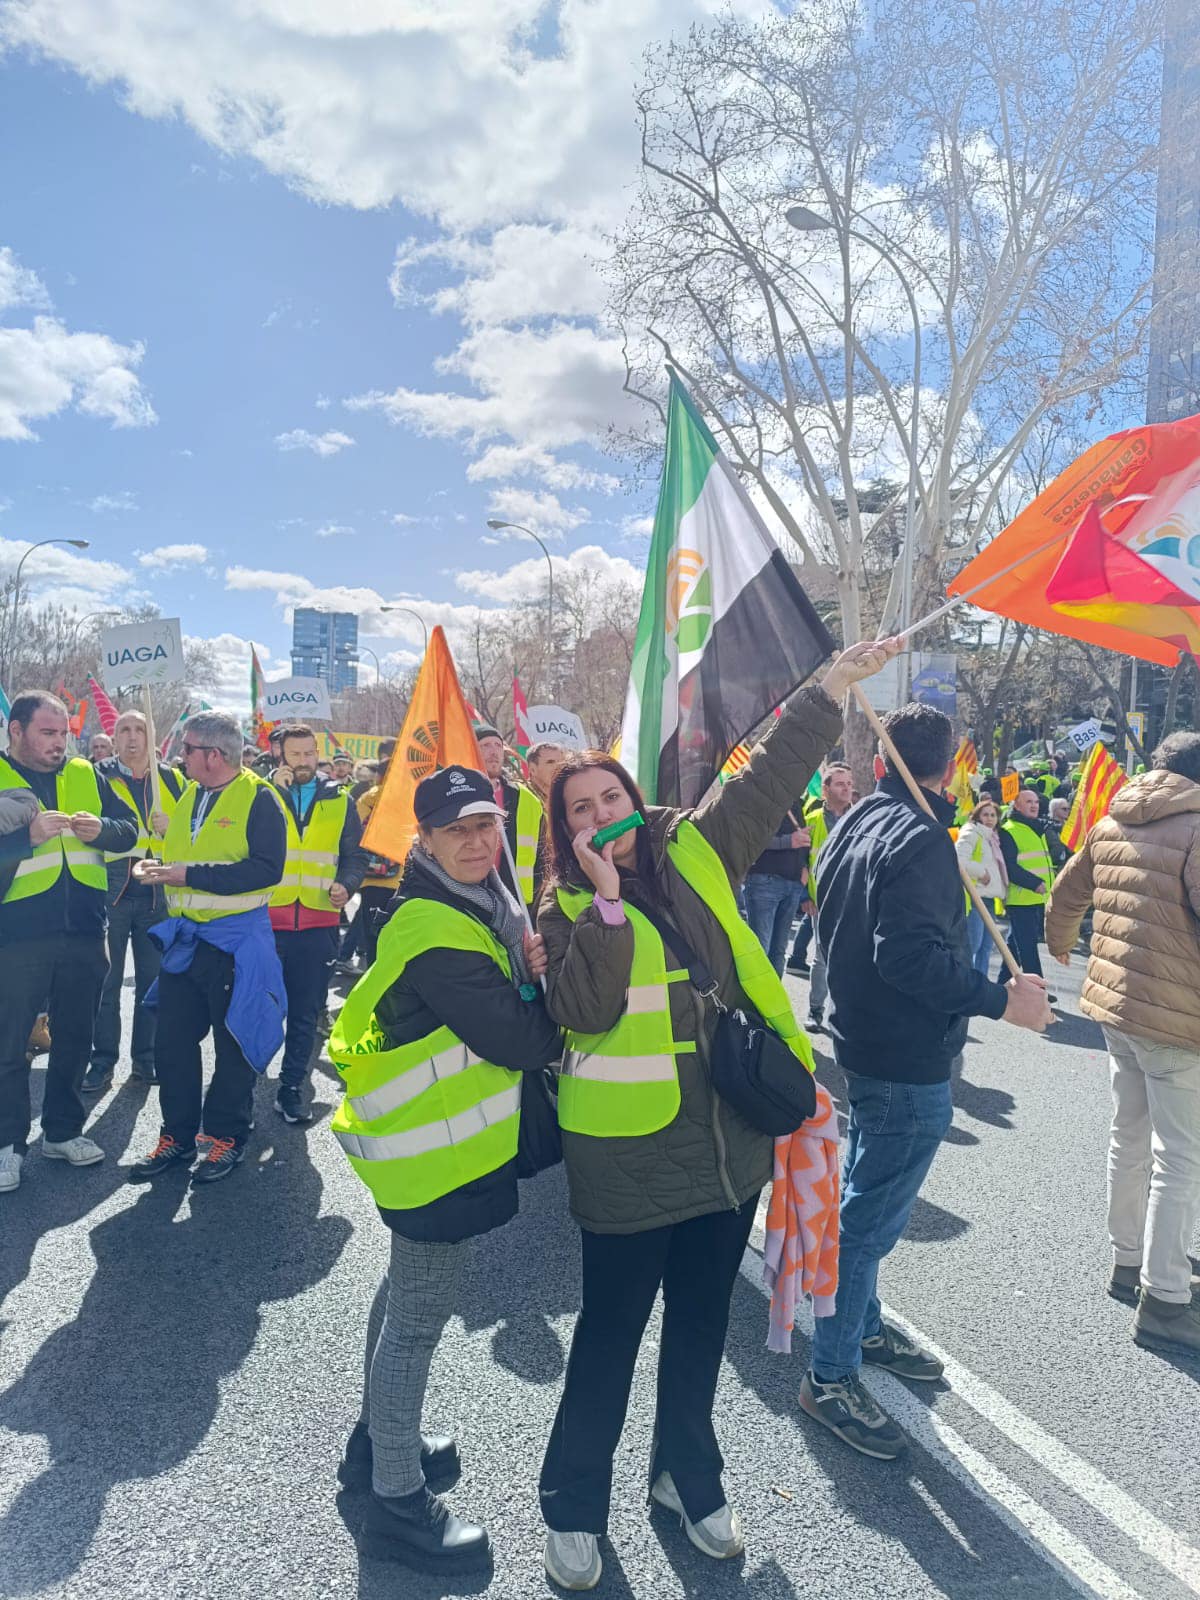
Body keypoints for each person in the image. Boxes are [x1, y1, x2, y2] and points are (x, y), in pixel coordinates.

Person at [533, 640, 896, 1593]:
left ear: (631, 799)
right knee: (610, 1337)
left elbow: (775, 774)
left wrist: (828, 688)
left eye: (609, 796)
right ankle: (573, 1507)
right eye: (580, 808)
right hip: (627, 1159)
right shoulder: (563, 906)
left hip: (728, 1144)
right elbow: (581, 1014)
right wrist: (608, 910)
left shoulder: (697, 842)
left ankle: (686, 1478)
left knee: (698, 1329)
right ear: (562, 830)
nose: (601, 814)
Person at [801, 703, 1052, 1460]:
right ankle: (831, 1373)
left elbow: (833, 923)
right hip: (904, 1056)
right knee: (866, 1222)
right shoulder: (917, 840)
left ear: (882, 764)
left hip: (864, 1043)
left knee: (861, 1202)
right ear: (952, 768)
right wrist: (1000, 1001)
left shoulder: (859, 819)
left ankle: (862, 1326)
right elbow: (907, 957)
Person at [329, 765, 561, 1570]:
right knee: (417, 1321)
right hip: (435, 1154)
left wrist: (522, 960)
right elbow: (526, 1041)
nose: (476, 840)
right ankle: (396, 1505)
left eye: (485, 824)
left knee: (400, 1297)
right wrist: (540, 979)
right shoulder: (434, 926)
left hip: (436, 1144)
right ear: (422, 840)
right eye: (455, 829)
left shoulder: (481, 903)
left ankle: (374, 1441)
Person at [1045, 731, 1200, 1356]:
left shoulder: (1110, 817)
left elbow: (1066, 892)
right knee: (1180, 1158)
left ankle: (1127, 1262)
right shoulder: (1195, 826)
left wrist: (1059, 940)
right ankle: (1165, 1296)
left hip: (1116, 1006)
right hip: (1178, 1016)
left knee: (1128, 1137)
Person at [127, 712, 287, 1187]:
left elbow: (265, 870)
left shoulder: (259, 798)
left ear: (213, 756)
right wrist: (157, 868)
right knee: (173, 1043)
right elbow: (187, 856)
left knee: (232, 1044)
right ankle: (176, 1135)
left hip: (235, 944)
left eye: (189, 750)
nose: (181, 757)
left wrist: (185, 876)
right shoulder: (192, 795)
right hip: (187, 941)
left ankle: (224, 1136)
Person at [0, 691, 138, 1194]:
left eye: (64, 734)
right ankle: (7, 1145)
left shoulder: (86, 773)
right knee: (9, 1044)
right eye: (48, 733)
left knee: (76, 1037)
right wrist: (24, 840)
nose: (60, 743)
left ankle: (61, 1131)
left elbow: (130, 831)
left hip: (84, 931)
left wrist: (101, 829)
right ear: (16, 731)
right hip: (16, 937)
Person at [82, 710, 186, 1094]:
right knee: (106, 983)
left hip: (158, 894)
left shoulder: (172, 779)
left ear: (151, 735)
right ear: (113, 736)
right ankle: (102, 1061)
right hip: (113, 892)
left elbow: (196, 832)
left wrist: (172, 826)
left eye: (139, 729)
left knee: (153, 982)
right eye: (123, 729)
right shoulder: (98, 775)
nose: (131, 737)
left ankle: (146, 1060)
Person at [269, 722, 368, 1123]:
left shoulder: (339, 800)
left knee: (307, 1013)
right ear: (281, 756)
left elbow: (355, 858)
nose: (305, 761)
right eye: (296, 754)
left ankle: (291, 1088)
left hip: (318, 922)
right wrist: (273, 788)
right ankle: (241, 1089)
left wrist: (346, 884)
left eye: (310, 753)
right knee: (256, 1009)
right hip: (265, 923)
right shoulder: (262, 794)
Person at [796, 762, 854, 1030]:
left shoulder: (861, 819)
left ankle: (841, 1012)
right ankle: (816, 1010)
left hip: (854, 901)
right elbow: (801, 863)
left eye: (850, 784)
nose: (847, 789)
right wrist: (804, 896)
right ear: (826, 789)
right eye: (840, 784)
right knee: (821, 956)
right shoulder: (812, 821)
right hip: (821, 902)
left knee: (850, 958)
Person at [474, 721, 545, 909]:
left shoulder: (527, 799)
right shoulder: (459, 797)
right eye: (485, 745)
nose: (494, 751)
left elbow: (541, 856)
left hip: (518, 903)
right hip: (472, 896)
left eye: (498, 745)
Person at [1001, 788, 1057, 998]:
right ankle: (1038, 992)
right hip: (1021, 898)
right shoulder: (1009, 829)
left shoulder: (1035, 828)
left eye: (1036, 801)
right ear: (1016, 805)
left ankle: (1001, 985)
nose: (1034, 805)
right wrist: (1034, 883)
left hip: (1036, 897)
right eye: (1028, 802)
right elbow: (1010, 866)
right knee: (1027, 948)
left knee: (1014, 947)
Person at [743, 804, 810, 974]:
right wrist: (788, 841)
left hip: (792, 883)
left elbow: (803, 840)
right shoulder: (762, 797)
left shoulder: (795, 801)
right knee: (760, 949)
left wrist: (803, 867)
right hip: (765, 881)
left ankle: (773, 999)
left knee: (778, 951)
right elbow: (751, 837)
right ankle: (754, 999)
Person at [355, 738, 402, 968]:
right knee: (395, 938)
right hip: (400, 880)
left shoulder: (368, 798)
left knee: (372, 938)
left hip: (370, 878)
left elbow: (353, 830)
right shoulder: (407, 799)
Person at [954, 798, 1007, 975]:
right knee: (973, 945)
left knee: (985, 948)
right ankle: (963, 983)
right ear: (977, 816)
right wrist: (982, 873)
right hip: (974, 897)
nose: (990, 818)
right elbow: (959, 860)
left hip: (989, 899)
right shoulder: (971, 832)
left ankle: (981, 986)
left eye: (993, 815)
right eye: (985, 814)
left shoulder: (992, 838)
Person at [526, 741, 569, 805]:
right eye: (550, 762)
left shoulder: (567, 795)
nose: (559, 766)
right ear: (533, 770)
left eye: (562, 762)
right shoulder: (522, 796)